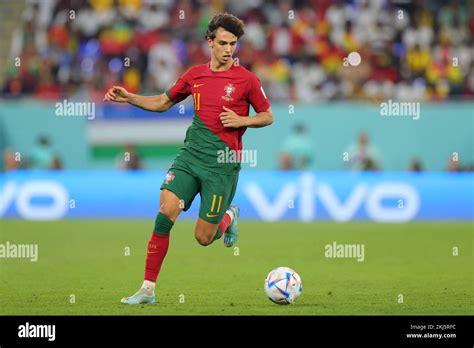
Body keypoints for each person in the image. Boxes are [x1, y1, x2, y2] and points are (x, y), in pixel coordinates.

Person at [104, 13, 273, 305]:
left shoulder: (247, 80)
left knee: (203, 238)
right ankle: (147, 289)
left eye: (233, 44)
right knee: (166, 209)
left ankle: (229, 215)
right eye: (223, 43)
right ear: (210, 41)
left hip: (221, 165)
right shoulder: (195, 75)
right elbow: (162, 102)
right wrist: (129, 97)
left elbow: (268, 116)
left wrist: (241, 119)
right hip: (191, 155)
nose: (229, 49)